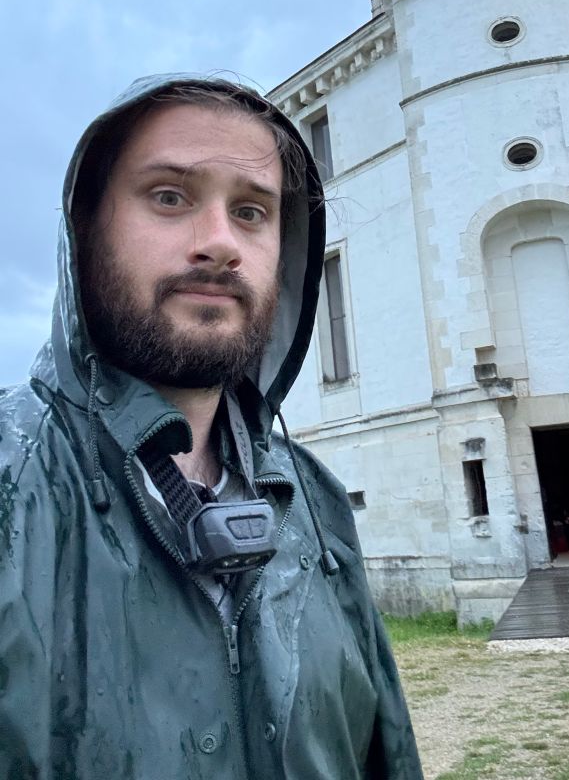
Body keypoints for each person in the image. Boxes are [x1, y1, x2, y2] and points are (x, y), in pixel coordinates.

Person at [0, 74, 424, 780]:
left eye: (253, 211)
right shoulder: (14, 486)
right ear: (84, 231)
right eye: (170, 197)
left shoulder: (313, 499)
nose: (221, 243)